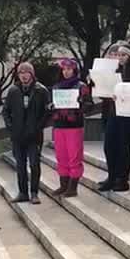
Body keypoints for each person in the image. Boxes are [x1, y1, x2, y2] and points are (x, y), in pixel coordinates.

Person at [2, 63, 50, 205]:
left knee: (34, 164)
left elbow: (46, 112)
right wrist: (11, 127)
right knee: (20, 165)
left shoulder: (41, 90)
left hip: (34, 136)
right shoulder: (13, 91)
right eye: (21, 72)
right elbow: (5, 111)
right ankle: (22, 192)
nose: (23, 75)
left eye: (26, 72)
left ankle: (34, 192)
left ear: (32, 74)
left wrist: (38, 127)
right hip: (18, 135)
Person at [98, 43, 130, 192]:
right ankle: (112, 176)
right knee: (109, 145)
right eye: (119, 55)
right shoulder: (115, 70)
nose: (120, 58)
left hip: (127, 114)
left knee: (123, 146)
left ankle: (122, 179)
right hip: (113, 112)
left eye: (124, 55)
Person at [50, 59, 94, 198]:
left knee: (74, 156)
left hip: (74, 126)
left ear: (74, 70)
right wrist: (51, 106)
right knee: (61, 156)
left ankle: (72, 187)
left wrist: (81, 104)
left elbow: (89, 105)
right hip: (58, 126)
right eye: (64, 69)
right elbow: (51, 105)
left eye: (69, 69)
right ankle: (63, 185)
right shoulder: (56, 87)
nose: (66, 71)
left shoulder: (81, 86)